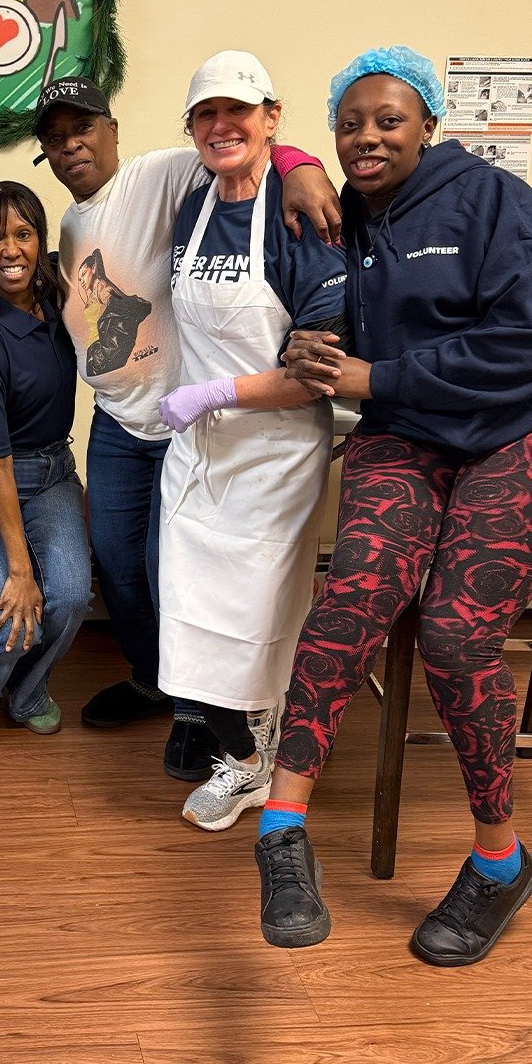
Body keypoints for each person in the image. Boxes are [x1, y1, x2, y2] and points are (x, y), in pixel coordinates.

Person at [255, 46, 532, 966]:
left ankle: (500, 861)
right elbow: (239, 164)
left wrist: (375, 376)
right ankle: (280, 830)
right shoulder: (339, 215)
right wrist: (293, 164)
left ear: (429, 123)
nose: (367, 138)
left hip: (519, 428)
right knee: (351, 596)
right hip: (409, 432)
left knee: (456, 638)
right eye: (348, 125)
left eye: (389, 120)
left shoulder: (496, 202)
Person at [33, 75, 341, 780]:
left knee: (170, 573)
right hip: (117, 422)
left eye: (83, 128)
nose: (71, 145)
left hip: (185, 419)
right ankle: (153, 678)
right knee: (117, 566)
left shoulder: (161, 175)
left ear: (113, 129)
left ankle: (196, 713)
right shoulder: (70, 225)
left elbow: (238, 144)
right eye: (55, 139)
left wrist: (302, 166)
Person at [155, 51, 347, 829]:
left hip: (274, 457)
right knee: (189, 618)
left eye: (238, 110)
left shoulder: (300, 215)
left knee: (254, 623)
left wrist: (213, 392)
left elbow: (317, 372)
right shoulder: (192, 206)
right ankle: (242, 750)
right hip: (200, 454)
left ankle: (251, 761)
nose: (221, 125)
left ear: (272, 117)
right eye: (206, 113)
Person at [0, 182, 91, 733]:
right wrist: (20, 570)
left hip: (53, 473)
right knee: (11, 621)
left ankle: (28, 692)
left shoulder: (58, 300)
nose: (11, 250)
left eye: (24, 234)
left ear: (40, 240)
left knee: (71, 599)